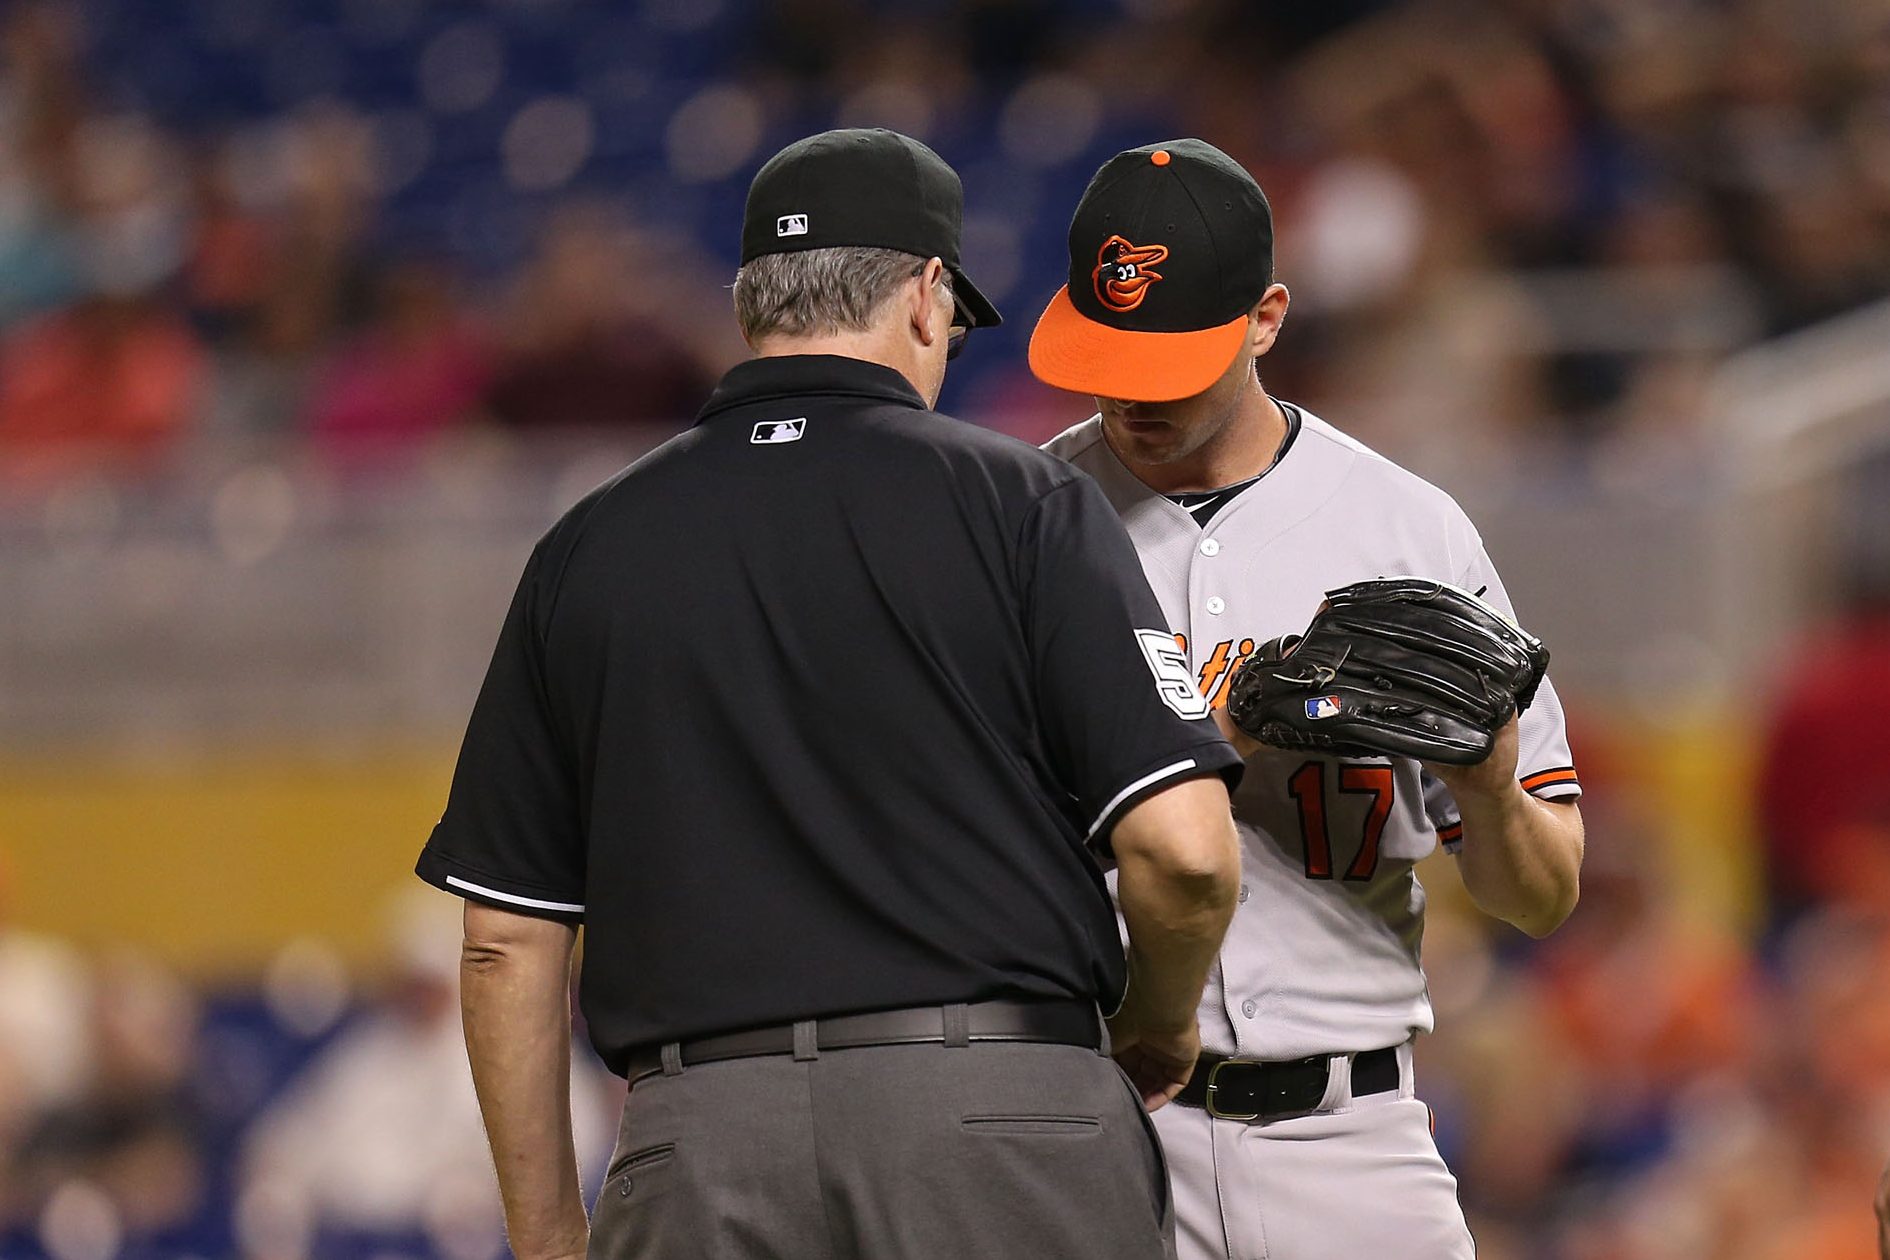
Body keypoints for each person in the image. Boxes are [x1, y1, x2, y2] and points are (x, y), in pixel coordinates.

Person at [416, 128, 1245, 1260]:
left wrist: (549, 1228)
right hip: (998, 1126)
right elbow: (1187, 853)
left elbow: (504, 940)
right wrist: (1157, 1018)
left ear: (757, 305)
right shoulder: (1023, 505)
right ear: (924, 296)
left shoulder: (587, 547)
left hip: (697, 1148)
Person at [1029, 138, 1587, 1260]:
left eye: (1169, 357)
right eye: (1110, 350)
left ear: (1266, 318)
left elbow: (1543, 895)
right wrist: (1211, 733)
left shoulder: (1406, 529)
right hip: (1097, 1128)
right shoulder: (1027, 522)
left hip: (1354, 1136)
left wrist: (1489, 784)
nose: (1132, 391)